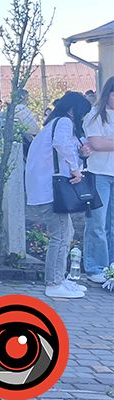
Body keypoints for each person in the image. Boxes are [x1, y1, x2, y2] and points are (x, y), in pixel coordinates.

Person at [26, 91, 95, 299]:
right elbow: (62, 146)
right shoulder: (64, 122)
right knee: (61, 235)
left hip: (46, 188)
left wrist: (79, 156)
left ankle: (59, 278)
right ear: (74, 110)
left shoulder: (53, 124)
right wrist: (75, 169)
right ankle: (54, 283)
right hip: (51, 190)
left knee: (66, 232)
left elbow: (64, 150)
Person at [83, 77, 114, 284]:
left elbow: (103, 143)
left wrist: (106, 142)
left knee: (111, 224)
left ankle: (111, 267)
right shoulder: (95, 115)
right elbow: (96, 143)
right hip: (99, 173)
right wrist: (101, 143)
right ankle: (96, 267)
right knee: (98, 223)